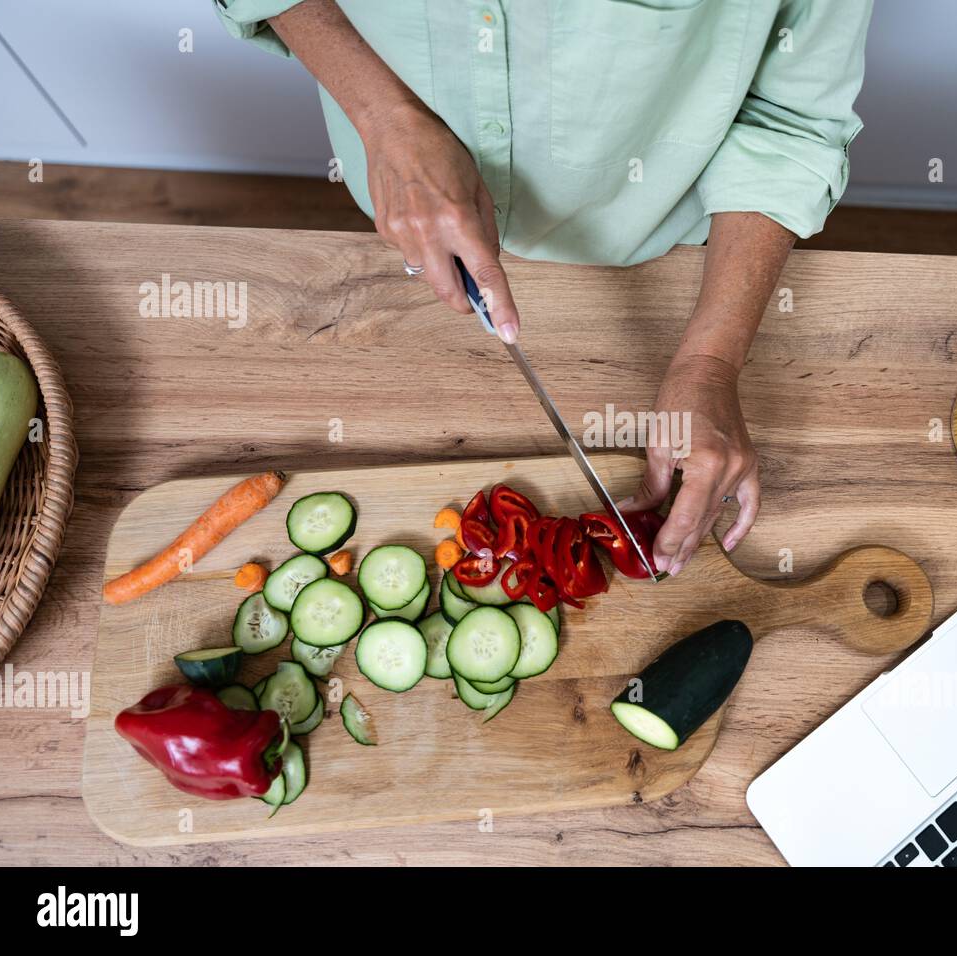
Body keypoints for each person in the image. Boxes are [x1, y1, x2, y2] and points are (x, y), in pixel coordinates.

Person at [216, 0, 872, 575]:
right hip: (397, 208)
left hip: (656, 228)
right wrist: (385, 121)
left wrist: (713, 357)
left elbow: (792, 115)